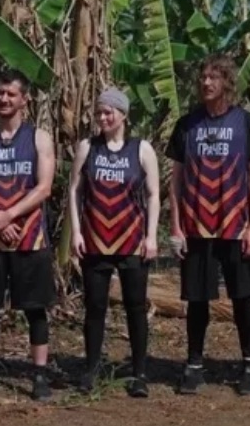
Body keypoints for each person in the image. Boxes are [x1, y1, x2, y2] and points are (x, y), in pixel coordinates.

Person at [165, 54, 250, 396]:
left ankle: (249, 365)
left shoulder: (246, 123)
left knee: (242, 298)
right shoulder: (187, 125)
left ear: (227, 82)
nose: (206, 83)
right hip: (196, 226)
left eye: (214, 77)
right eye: (203, 77)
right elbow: (176, 180)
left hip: (236, 225)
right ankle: (194, 365)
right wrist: (176, 226)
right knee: (197, 300)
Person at [0, 69, 57, 400]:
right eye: (0, 93)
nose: (3, 99)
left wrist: (9, 215)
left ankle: (39, 376)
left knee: (35, 308)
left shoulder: (39, 139)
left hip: (28, 237)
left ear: (24, 100)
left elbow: (44, 188)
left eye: (11, 94)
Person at [68, 87, 160, 398]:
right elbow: (75, 190)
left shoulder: (141, 149)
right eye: (99, 112)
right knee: (95, 307)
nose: (103, 118)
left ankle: (139, 373)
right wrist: (76, 232)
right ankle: (91, 369)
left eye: (108, 112)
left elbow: (153, 195)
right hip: (95, 240)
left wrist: (151, 236)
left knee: (136, 307)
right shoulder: (87, 148)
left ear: (123, 115)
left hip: (131, 240)